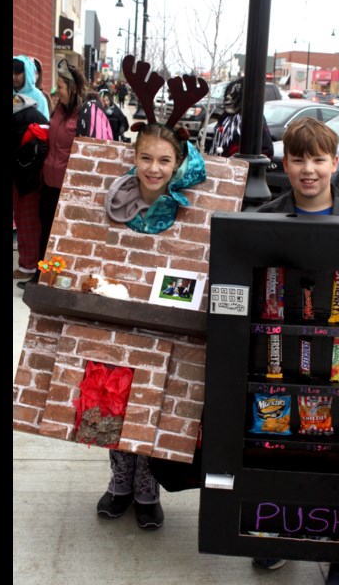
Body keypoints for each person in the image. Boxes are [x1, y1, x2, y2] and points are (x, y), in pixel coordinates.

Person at [252, 116, 339, 585]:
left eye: (318, 159)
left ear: (334, 163)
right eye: (299, 158)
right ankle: (278, 535)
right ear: (286, 163)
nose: (309, 169)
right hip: (282, 350)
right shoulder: (264, 219)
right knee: (280, 445)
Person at [99, 122, 208, 529]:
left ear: (177, 163)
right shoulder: (119, 200)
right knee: (113, 397)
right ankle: (121, 480)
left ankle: (148, 484)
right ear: (134, 159)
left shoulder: (186, 205)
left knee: (153, 403)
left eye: (164, 160)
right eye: (146, 158)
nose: (154, 168)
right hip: (121, 316)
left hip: (167, 322)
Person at [17, 61, 113, 290]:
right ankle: (41, 276)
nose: (57, 91)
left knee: (64, 233)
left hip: (69, 186)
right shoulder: (59, 108)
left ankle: (61, 279)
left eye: (60, 87)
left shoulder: (86, 112)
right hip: (48, 182)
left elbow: (94, 148)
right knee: (46, 231)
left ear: (72, 87)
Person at [12, 93, 49, 280]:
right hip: (35, 174)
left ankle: (28, 265)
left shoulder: (19, 118)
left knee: (26, 220)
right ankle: (30, 262)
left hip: (26, 177)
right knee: (31, 220)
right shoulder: (32, 112)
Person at [13, 55, 49, 119]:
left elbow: (43, 123)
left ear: (27, 73)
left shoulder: (38, 97)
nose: (13, 77)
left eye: (17, 73)